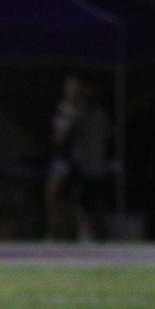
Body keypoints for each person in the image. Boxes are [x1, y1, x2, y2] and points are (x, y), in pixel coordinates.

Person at [44, 74, 111, 240]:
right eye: (70, 88)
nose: (73, 92)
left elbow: (102, 134)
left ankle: (86, 232)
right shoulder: (61, 110)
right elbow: (58, 138)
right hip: (63, 158)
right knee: (53, 192)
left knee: (80, 198)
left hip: (82, 161)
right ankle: (54, 231)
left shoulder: (87, 112)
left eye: (76, 89)